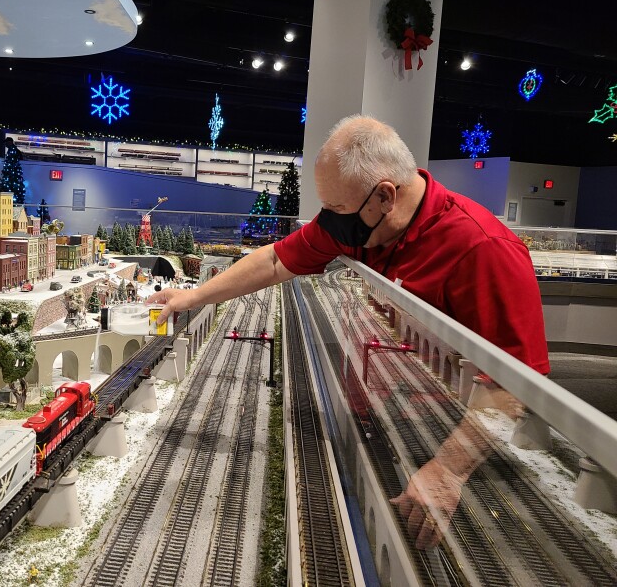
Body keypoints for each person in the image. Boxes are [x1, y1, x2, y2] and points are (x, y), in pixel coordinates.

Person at [147, 114, 549, 548]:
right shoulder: (360, 224)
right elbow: (275, 261)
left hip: (445, 441)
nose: (329, 221)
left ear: (385, 196)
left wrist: (448, 470)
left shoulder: (483, 249)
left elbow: (516, 384)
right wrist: (194, 297)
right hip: (377, 414)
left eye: (336, 209)